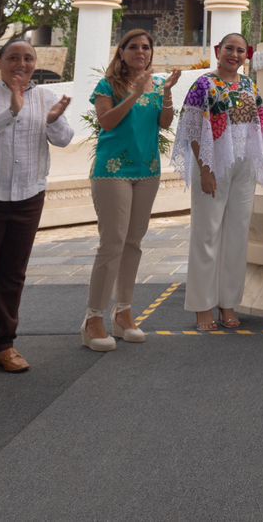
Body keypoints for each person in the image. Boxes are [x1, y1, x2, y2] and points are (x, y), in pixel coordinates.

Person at [0, 37, 74, 383]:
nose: (21, 64)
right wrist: (11, 112)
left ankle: (4, 346)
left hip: (27, 197)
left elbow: (64, 139)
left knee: (12, 275)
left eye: (28, 58)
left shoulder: (45, 97)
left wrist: (52, 120)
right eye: (14, 58)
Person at [173, 32, 263, 331]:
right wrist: (204, 170)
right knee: (207, 236)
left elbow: (261, 123)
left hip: (244, 166)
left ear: (248, 55)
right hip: (214, 164)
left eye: (240, 50)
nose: (234, 54)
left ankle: (228, 303)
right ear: (218, 51)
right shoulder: (203, 85)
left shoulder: (248, 85)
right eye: (229, 49)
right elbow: (192, 129)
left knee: (236, 236)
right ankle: (202, 307)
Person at [84, 30, 180, 352]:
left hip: (147, 169)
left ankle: (123, 313)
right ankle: (93, 318)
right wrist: (135, 94)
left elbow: (164, 123)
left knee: (133, 243)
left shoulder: (156, 83)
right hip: (113, 171)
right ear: (121, 52)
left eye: (146, 47)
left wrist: (165, 93)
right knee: (112, 242)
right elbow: (107, 122)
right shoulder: (107, 85)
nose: (141, 51)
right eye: (134, 47)